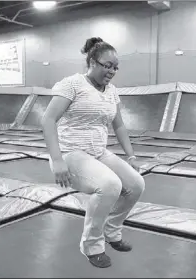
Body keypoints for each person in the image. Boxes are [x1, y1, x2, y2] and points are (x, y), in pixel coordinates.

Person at [41, 37, 145, 269]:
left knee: (136, 184)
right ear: (92, 61)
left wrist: (131, 156)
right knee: (110, 185)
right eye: (107, 65)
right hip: (70, 153)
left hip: (98, 152)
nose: (112, 71)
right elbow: (48, 120)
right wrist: (57, 160)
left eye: (115, 67)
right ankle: (92, 245)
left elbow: (118, 125)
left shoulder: (112, 91)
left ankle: (112, 230)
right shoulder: (72, 84)